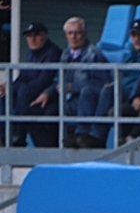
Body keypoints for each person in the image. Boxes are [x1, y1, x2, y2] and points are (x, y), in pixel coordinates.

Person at [5, 23, 63, 148]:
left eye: (36, 35)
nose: (32, 39)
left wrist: (19, 88)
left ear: (45, 36)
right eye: (29, 36)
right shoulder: (31, 54)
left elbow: (44, 80)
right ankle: (2, 137)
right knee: (4, 94)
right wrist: (8, 88)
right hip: (29, 94)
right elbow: (22, 78)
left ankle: (19, 138)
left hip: (49, 96)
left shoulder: (53, 52)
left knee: (24, 91)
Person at [58, 18, 110, 150]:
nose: (74, 37)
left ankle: (82, 134)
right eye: (70, 33)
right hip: (67, 99)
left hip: (88, 99)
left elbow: (102, 84)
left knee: (86, 92)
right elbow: (57, 79)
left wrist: (73, 87)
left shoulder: (94, 54)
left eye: (77, 33)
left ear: (86, 34)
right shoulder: (64, 55)